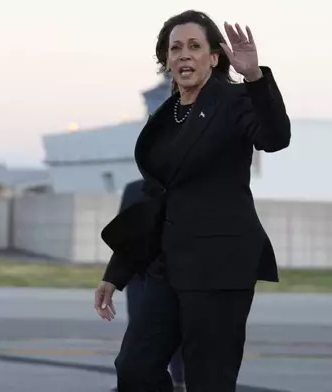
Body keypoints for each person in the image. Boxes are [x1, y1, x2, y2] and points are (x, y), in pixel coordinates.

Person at [93, 9, 290, 392]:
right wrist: (117, 272)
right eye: (176, 48)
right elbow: (154, 203)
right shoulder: (165, 118)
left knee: (208, 381)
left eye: (194, 46)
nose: (184, 54)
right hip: (167, 267)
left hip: (220, 267)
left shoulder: (234, 100)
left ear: (214, 57)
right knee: (134, 368)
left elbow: (275, 137)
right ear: (166, 61)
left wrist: (254, 77)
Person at [109, 179, 185, 392]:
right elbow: (124, 233)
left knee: (177, 330)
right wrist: (113, 276)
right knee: (140, 329)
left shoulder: (190, 184)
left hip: (175, 273)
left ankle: (180, 379)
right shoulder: (135, 189)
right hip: (140, 273)